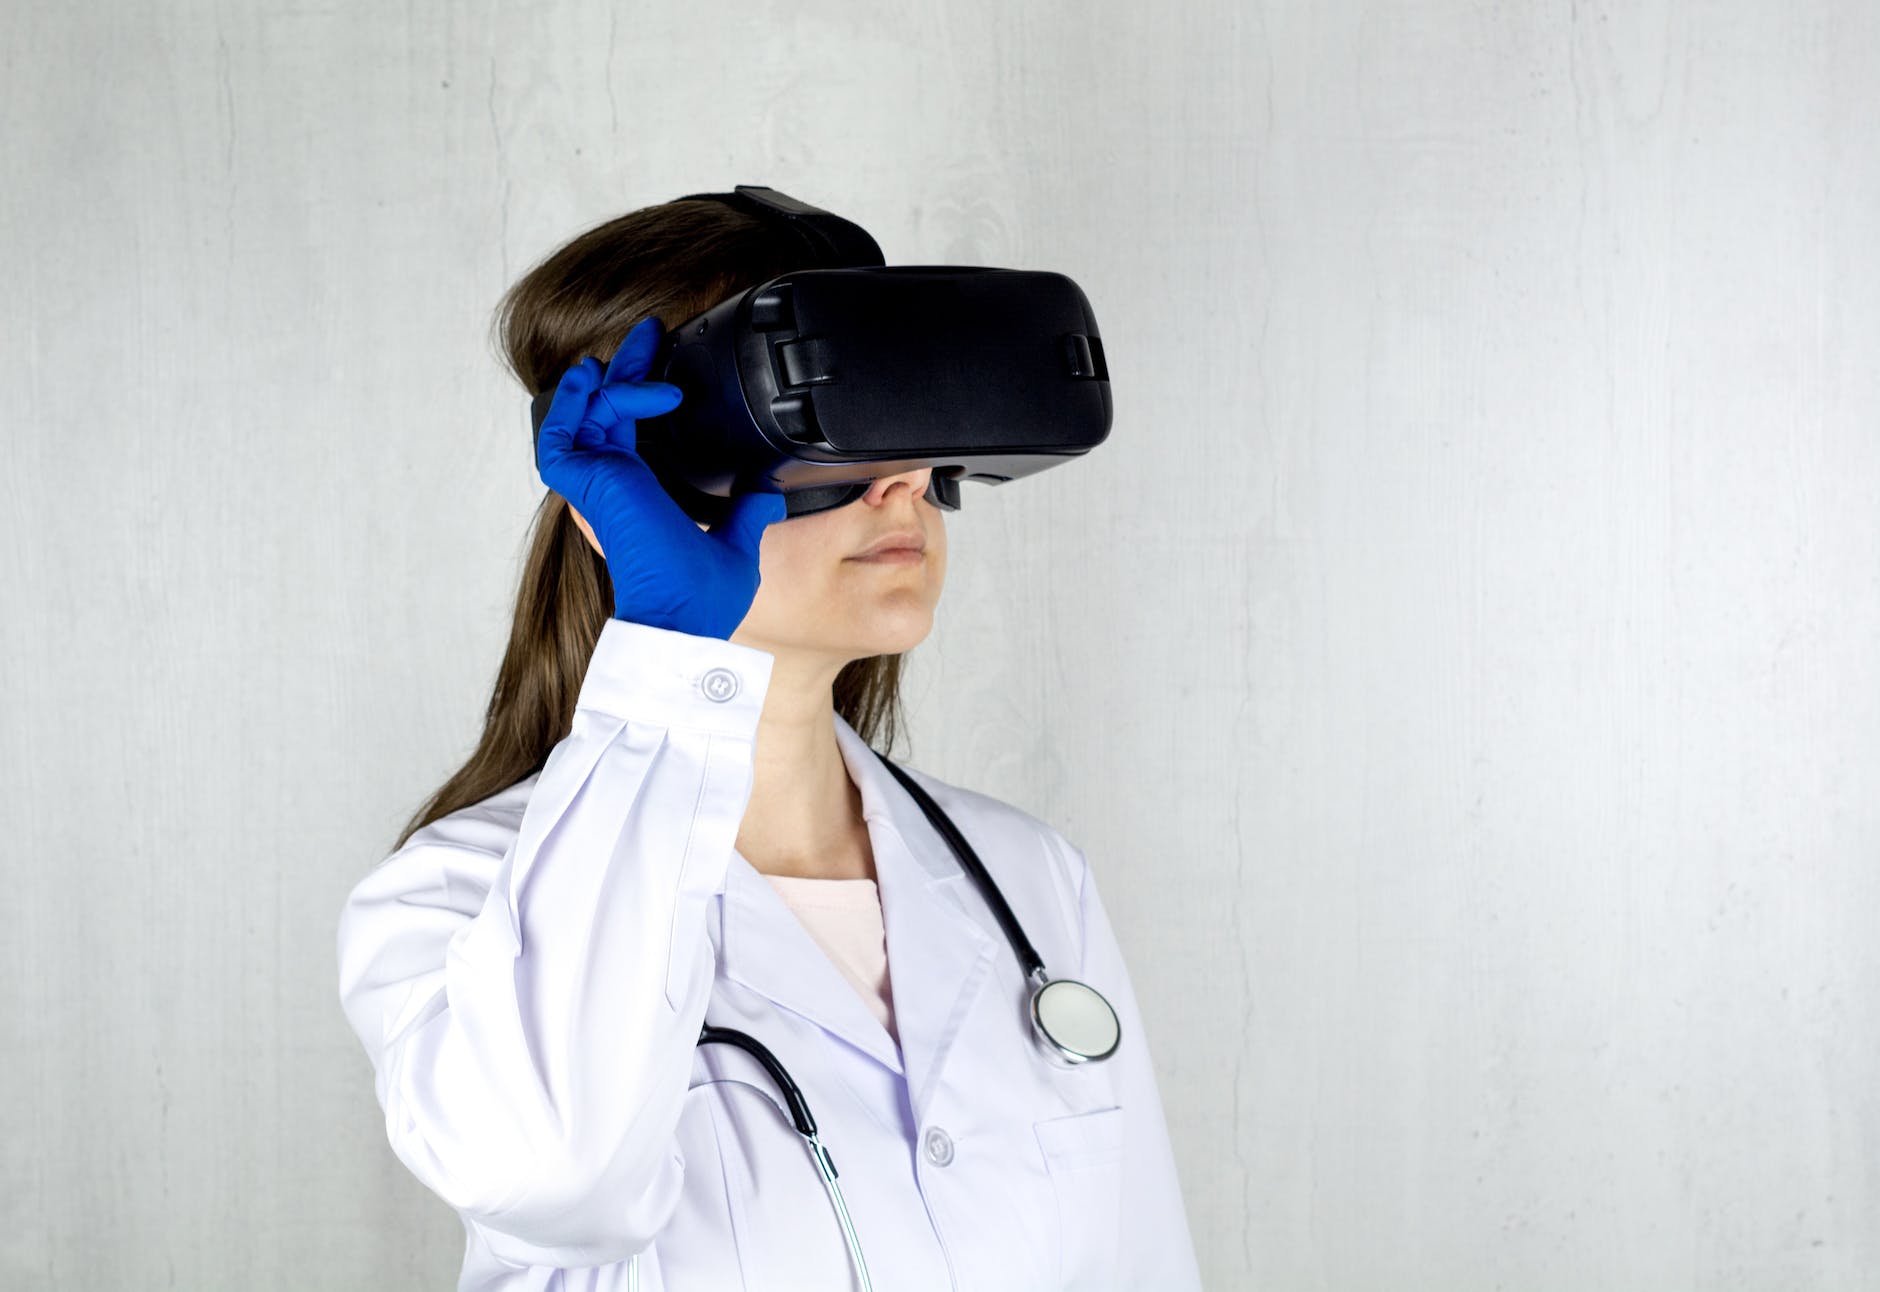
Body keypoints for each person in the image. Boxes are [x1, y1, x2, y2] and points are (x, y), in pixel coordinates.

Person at [334, 195, 1202, 1290]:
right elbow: (555, 1180)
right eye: (817, 422)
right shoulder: (452, 899)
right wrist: (664, 656)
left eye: (905, 418)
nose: (900, 483)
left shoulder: (1031, 881)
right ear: (639, 479)